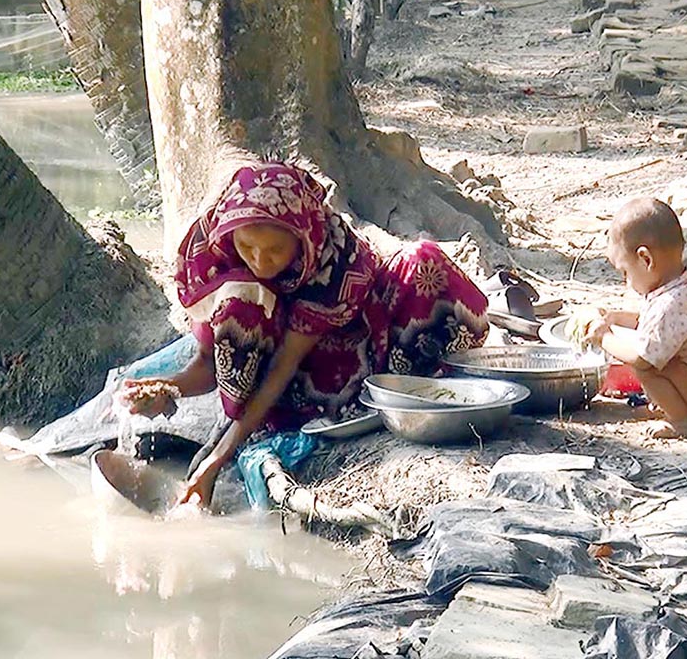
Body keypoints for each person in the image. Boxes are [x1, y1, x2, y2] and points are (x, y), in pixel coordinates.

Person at [119, 162, 490, 505]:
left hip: (349, 349)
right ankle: (260, 419)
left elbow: (283, 365)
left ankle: (399, 387)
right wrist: (168, 388)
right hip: (276, 377)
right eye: (247, 247)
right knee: (244, 299)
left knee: (422, 261)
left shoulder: (332, 258)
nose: (260, 262)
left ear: (302, 240)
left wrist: (219, 456)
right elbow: (210, 365)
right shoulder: (217, 261)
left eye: (276, 250)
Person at [581, 198, 687, 438]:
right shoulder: (677, 287)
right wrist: (615, 318)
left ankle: (684, 422)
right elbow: (650, 323)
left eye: (625, 272)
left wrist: (604, 337)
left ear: (645, 260)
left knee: (647, 367)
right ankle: (672, 405)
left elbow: (642, 358)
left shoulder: (669, 305)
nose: (626, 281)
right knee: (654, 353)